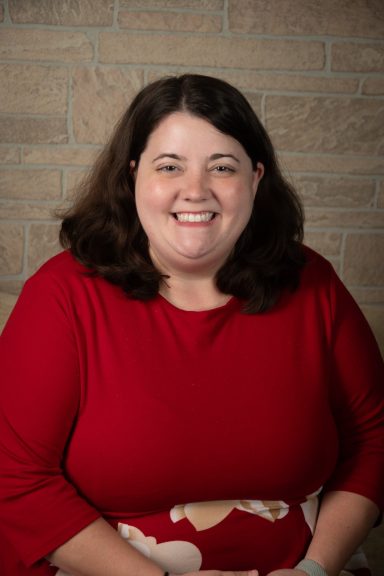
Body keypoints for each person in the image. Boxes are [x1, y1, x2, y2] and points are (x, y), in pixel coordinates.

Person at [0, 74, 383, 576]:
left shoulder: (312, 283)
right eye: (169, 166)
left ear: (256, 177)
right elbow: (15, 476)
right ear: (134, 174)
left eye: (222, 166)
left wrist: (314, 570)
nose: (196, 190)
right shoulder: (62, 295)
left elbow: (374, 439)